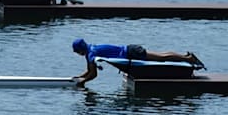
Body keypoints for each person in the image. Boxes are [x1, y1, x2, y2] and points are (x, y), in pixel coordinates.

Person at [70, 38, 204, 85]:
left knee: (161, 57)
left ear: (80, 50)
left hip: (132, 53)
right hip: (130, 49)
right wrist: (79, 77)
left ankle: (188, 59)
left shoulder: (91, 54)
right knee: (161, 56)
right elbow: (89, 71)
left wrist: (82, 82)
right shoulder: (91, 49)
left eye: (76, 52)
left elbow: (93, 74)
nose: (77, 54)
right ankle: (186, 57)